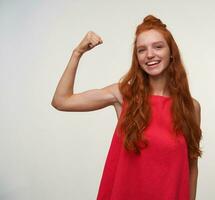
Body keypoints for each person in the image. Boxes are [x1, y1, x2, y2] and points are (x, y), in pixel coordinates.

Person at [51, 15, 203, 200]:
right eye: (141, 50)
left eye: (158, 46)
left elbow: (192, 167)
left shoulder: (190, 107)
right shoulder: (123, 95)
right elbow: (62, 101)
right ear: (137, 58)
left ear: (171, 52)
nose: (149, 55)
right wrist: (77, 53)